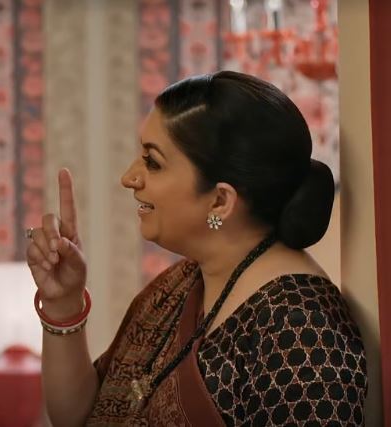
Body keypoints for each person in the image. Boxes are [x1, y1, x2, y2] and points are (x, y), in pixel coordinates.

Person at [25, 71, 366, 426]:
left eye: (152, 162)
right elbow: (84, 416)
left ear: (220, 201)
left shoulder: (302, 334)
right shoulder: (181, 283)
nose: (129, 178)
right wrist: (63, 304)